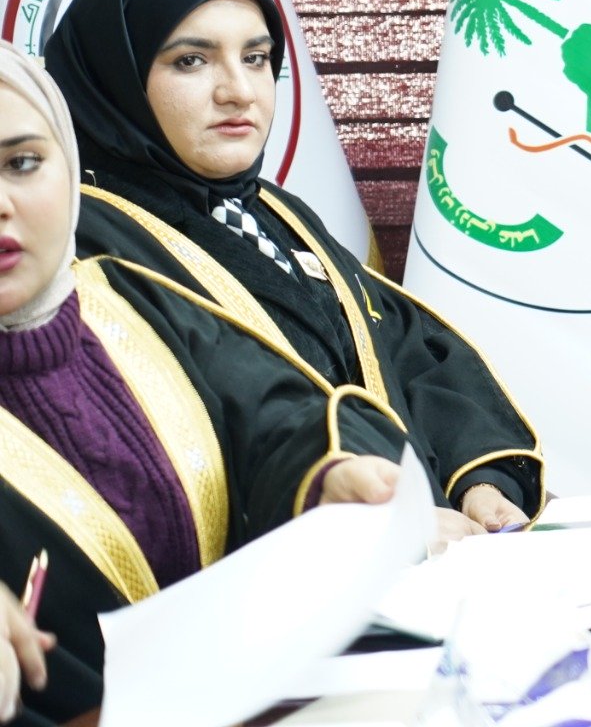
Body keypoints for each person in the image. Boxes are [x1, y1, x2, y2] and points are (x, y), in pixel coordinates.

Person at [44, 0, 542, 535]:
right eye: (191, 61)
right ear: (112, 75)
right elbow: (175, 445)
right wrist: (370, 530)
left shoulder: (276, 211)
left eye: (256, 58)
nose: (239, 90)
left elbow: (402, 347)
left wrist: (479, 482)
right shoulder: (80, 247)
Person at [0, 39, 410, 725]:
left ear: (67, 165)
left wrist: (327, 476)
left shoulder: (130, 295)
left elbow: (272, 417)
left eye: (21, 163)